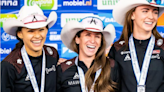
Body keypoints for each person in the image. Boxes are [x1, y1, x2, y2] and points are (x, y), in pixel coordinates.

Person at [108, 0, 164, 92]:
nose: (151, 17)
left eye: (155, 12)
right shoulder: (117, 48)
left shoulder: (162, 47)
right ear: (132, 15)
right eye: (145, 11)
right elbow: (111, 86)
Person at [1, 4, 59, 92]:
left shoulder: (52, 53)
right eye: (30, 31)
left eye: (41, 29)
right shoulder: (9, 65)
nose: (37, 36)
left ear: (47, 30)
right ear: (20, 34)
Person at [57, 16, 116, 92]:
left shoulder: (112, 66)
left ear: (101, 42)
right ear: (77, 39)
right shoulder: (63, 69)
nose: (92, 41)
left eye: (97, 36)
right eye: (88, 35)